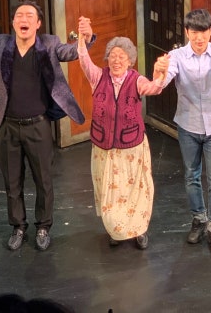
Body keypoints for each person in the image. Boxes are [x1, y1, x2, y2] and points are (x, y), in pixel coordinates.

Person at [0, 0, 93, 251]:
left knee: (44, 181)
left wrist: (86, 38)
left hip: (38, 125)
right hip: (7, 126)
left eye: (30, 15)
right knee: (12, 181)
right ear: (13, 22)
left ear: (38, 24)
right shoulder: (0, 43)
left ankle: (43, 226)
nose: (24, 18)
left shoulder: (49, 44)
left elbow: (72, 52)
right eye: (19, 15)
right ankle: (18, 226)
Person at [76, 18, 167, 249]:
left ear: (130, 61)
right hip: (104, 147)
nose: (117, 60)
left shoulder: (136, 80)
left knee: (135, 191)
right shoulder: (98, 77)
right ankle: (115, 228)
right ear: (108, 58)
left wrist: (160, 74)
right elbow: (84, 60)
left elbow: (154, 88)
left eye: (122, 57)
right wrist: (83, 39)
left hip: (131, 147)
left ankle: (139, 230)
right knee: (111, 191)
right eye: (113, 56)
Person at [155, 9, 211, 254]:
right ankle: (198, 219)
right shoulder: (177, 56)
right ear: (187, 32)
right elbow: (160, 83)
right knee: (192, 176)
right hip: (188, 125)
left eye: (203, 32)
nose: (199, 38)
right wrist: (159, 69)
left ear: (210, 32)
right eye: (194, 32)